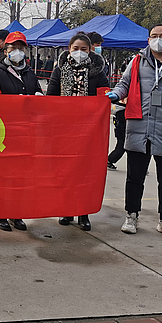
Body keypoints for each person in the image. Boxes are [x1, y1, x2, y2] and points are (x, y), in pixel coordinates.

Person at [107, 23, 162, 240]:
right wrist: (116, 94)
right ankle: (131, 215)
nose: (158, 39)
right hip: (139, 127)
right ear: (148, 39)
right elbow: (124, 84)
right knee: (134, 177)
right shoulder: (137, 61)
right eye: (153, 35)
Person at [46, 33, 110, 231]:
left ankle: (83, 212)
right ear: (69, 49)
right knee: (65, 171)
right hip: (64, 129)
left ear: (90, 50)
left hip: (88, 130)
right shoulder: (59, 70)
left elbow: (104, 97)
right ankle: (66, 210)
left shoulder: (98, 72)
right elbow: (51, 97)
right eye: (76, 49)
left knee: (85, 172)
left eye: (84, 49)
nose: (79, 52)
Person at [0, 30, 40, 232]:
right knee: (2, 174)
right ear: (6, 50)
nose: (17, 51)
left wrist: (38, 97)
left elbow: (38, 96)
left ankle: (17, 213)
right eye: (13, 48)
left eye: (20, 48)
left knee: (21, 175)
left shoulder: (30, 74)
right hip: (3, 132)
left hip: (25, 132)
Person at [107, 61, 130, 170]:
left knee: (124, 146)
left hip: (122, 122)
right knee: (122, 146)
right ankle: (109, 160)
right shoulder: (125, 93)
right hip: (122, 123)